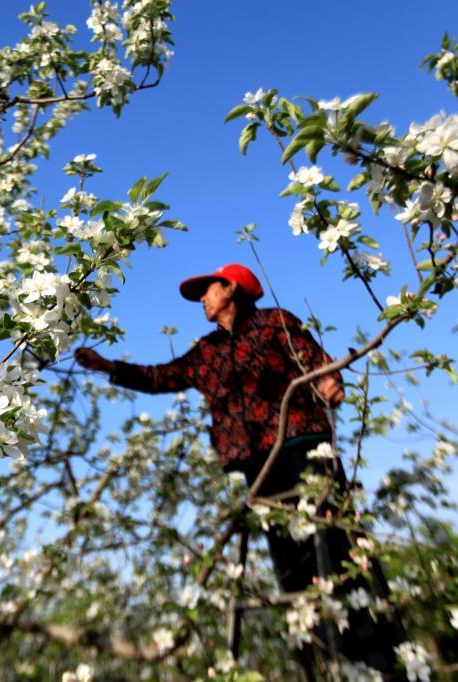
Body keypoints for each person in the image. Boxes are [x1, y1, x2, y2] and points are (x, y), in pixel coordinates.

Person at [74, 263, 404, 679]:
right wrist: (108, 366)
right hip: (257, 467)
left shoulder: (275, 323)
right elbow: (162, 376)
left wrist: (329, 383)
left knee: (339, 555)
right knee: (294, 569)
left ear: (231, 289)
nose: (202, 299)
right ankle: (333, 664)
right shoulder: (206, 351)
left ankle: (383, 666)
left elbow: (314, 360)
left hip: (303, 448)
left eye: (208, 290)